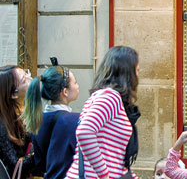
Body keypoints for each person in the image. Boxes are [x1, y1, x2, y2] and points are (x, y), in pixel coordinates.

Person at [66, 46, 141, 179]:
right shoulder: (110, 97)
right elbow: (84, 132)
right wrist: (103, 174)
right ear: (127, 73)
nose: (138, 75)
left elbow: (114, 157)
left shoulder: (103, 97)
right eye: (137, 70)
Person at [22, 62, 80, 179]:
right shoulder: (73, 121)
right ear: (65, 92)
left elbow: (40, 164)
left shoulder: (36, 120)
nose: (77, 86)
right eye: (75, 82)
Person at [0, 65, 39, 177]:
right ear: (13, 94)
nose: (30, 79)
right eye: (24, 79)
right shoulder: (2, 126)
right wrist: (40, 152)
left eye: (27, 73)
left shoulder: (19, 115)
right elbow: (15, 166)